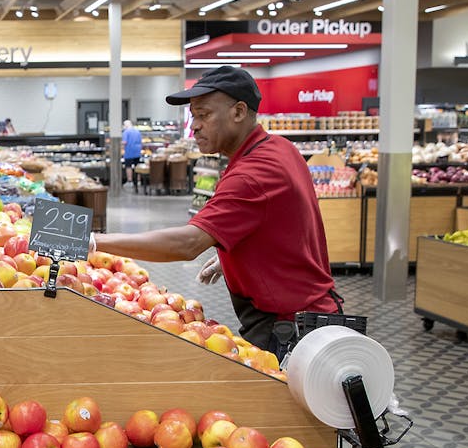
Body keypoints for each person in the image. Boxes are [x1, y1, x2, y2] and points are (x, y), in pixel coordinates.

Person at [93, 66, 339, 358]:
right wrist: (235, 248)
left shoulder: (253, 173)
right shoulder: (280, 148)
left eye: (204, 114)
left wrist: (96, 242)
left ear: (238, 112)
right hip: (310, 318)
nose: (194, 126)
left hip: (290, 331)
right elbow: (286, 219)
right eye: (193, 116)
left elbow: (187, 244)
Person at [121, 119, 143, 184]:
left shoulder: (126, 132)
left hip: (129, 152)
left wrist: (119, 144)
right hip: (137, 151)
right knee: (137, 166)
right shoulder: (137, 131)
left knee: (128, 166)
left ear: (125, 125)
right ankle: (138, 181)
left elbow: (124, 142)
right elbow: (140, 141)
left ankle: (130, 181)